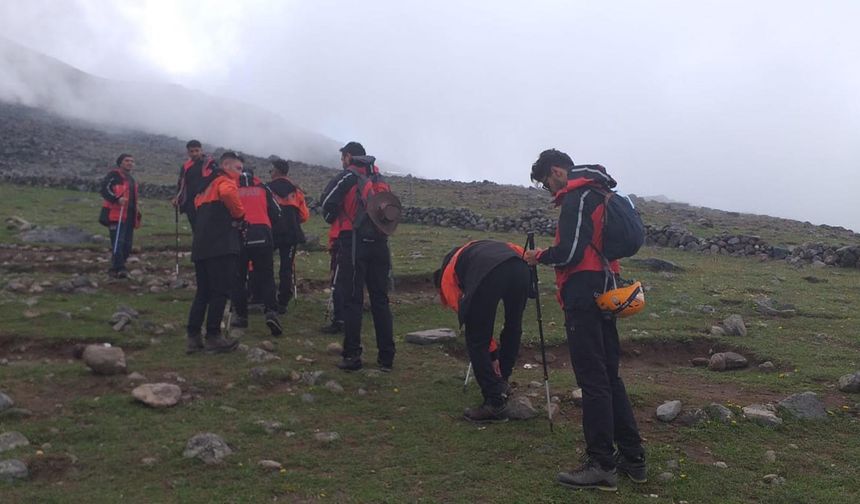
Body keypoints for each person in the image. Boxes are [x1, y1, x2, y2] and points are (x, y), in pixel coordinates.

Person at [524, 149, 646, 491]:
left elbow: (570, 252)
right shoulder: (601, 191)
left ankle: (601, 464)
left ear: (557, 171)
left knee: (593, 379)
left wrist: (538, 256)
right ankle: (633, 458)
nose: (550, 189)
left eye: (548, 181)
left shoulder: (578, 197)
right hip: (606, 290)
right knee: (609, 375)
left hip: (583, 292)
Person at [434, 240, 530, 423]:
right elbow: (519, 250)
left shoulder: (447, 275)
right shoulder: (475, 247)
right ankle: (502, 382)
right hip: (520, 266)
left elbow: (470, 320)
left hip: (490, 273)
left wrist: (492, 354)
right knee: (513, 326)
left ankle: (494, 402)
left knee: (476, 338)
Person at [320, 141, 395, 372]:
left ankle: (352, 355)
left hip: (353, 242)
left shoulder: (348, 176)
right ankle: (386, 358)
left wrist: (337, 219)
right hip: (380, 244)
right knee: (380, 300)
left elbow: (326, 203)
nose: (342, 161)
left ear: (349, 157)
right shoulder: (380, 180)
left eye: (343, 157)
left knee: (353, 299)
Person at [185, 151, 246, 354]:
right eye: (238, 168)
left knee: (203, 292)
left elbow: (193, 207)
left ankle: (193, 336)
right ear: (226, 166)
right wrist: (240, 215)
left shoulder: (204, 188)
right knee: (220, 291)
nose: (240, 173)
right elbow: (229, 195)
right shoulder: (224, 182)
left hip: (201, 246)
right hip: (221, 246)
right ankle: (213, 336)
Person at [230, 166, 283, 336]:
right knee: (266, 276)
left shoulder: (233, 189)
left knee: (238, 277)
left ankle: (241, 316)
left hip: (240, 234)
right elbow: (277, 212)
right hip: (262, 233)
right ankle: (271, 312)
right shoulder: (263, 188)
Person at [267, 159, 308, 314]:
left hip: (271, 232)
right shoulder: (296, 191)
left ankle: (266, 298)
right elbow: (304, 215)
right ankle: (283, 301)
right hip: (291, 233)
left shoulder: (267, 189)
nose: (270, 173)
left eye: (271, 170)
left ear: (277, 171)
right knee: (286, 268)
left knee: (266, 265)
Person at [99, 153, 141, 278]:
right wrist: (116, 199)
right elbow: (104, 189)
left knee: (127, 244)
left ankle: (116, 267)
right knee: (118, 241)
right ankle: (120, 268)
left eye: (132, 161)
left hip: (129, 215)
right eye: (127, 160)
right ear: (120, 162)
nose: (130, 163)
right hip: (116, 214)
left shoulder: (131, 179)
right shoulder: (114, 175)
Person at [172, 139, 216, 232]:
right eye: (192, 151)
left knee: (207, 228)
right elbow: (181, 183)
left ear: (201, 150)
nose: (194, 153)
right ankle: (198, 246)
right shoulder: (185, 166)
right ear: (188, 152)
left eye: (197, 150)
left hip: (206, 202)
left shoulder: (210, 163)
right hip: (190, 203)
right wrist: (177, 197)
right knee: (195, 228)